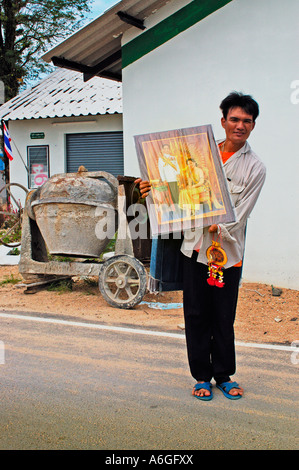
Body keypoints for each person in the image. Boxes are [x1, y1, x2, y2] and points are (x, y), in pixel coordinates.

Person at [135, 92, 266, 401]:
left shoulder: (255, 168)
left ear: (253, 126)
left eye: (247, 121)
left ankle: (223, 374)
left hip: (226, 255)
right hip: (193, 249)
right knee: (195, 315)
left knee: (223, 317)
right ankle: (201, 377)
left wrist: (215, 222)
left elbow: (241, 213)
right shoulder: (197, 154)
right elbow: (175, 191)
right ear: (223, 121)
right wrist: (151, 190)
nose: (240, 125)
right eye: (234, 119)